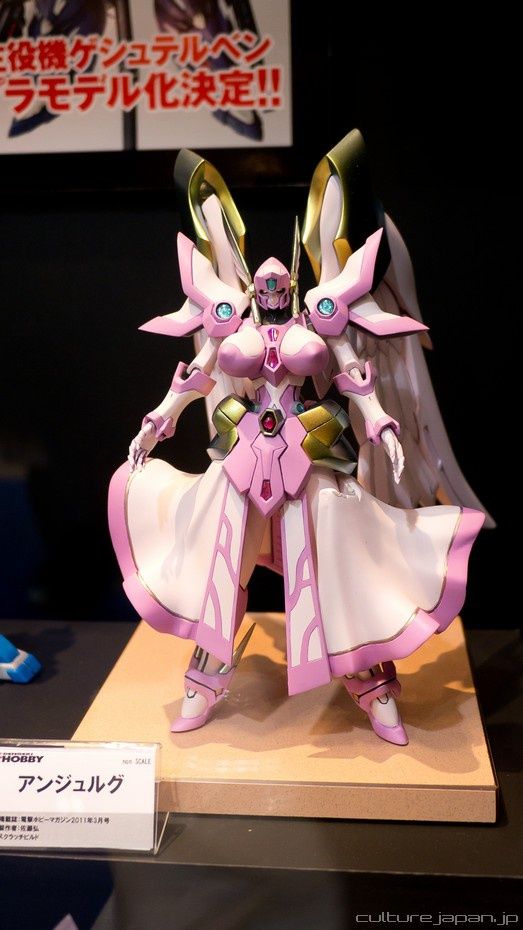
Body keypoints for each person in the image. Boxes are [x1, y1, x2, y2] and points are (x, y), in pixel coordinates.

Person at [109, 132, 488, 745]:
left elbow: (355, 377)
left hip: (308, 457)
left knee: (336, 567)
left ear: (289, 283)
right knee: (221, 570)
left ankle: (372, 685)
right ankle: (203, 681)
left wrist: (382, 424)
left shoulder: (320, 314)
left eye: (279, 283)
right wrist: (157, 420)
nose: (271, 290)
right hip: (242, 459)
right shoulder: (230, 317)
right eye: (264, 285)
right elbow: (196, 375)